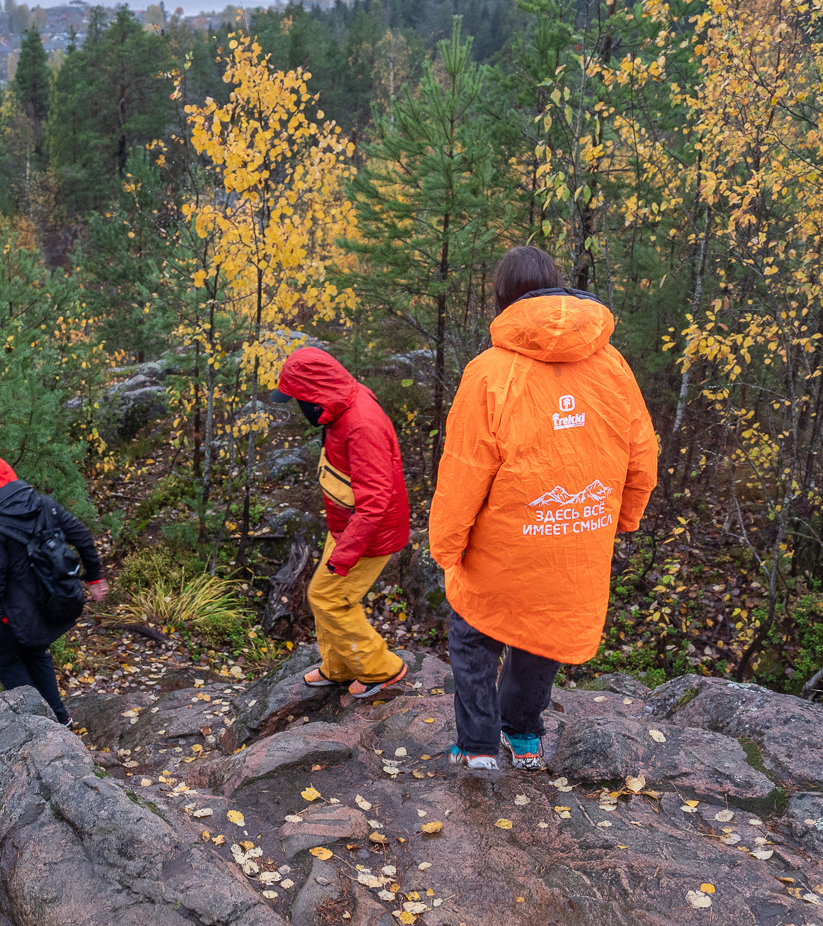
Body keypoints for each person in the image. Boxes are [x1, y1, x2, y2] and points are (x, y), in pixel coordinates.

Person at [428, 245, 658, 771]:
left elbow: (464, 470)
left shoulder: (488, 373)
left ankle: (478, 746)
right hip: (579, 538)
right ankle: (523, 734)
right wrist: (623, 517)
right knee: (544, 630)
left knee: (473, 635)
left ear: (502, 299)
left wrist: (446, 545)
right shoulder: (612, 365)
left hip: (503, 547)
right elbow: (642, 453)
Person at [270, 347, 412, 700]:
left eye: (298, 399)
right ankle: (340, 667)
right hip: (347, 528)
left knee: (329, 598)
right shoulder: (339, 407)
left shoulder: (361, 424)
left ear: (314, 394)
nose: (298, 407)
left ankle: (380, 668)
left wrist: (344, 555)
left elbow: (375, 502)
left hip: (369, 535)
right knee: (322, 595)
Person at [0, 454, 105, 726]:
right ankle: (60, 720)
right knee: (35, 653)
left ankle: (39, 724)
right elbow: (82, 536)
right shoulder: (44, 504)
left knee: (2, 657)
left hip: (19, 617)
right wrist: (94, 578)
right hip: (53, 604)